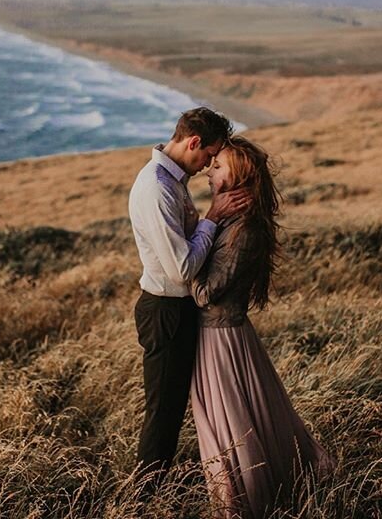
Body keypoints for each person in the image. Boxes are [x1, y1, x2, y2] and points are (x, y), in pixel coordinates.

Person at [190, 135, 336, 518]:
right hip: (218, 335)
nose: (209, 170)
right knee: (237, 419)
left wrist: (181, 260)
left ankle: (249, 503)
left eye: (218, 165)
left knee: (237, 425)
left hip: (221, 338)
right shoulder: (233, 221)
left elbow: (208, 294)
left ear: (237, 175)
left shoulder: (244, 229)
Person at [128, 107, 250, 484]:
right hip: (165, 310)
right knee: (163, 412)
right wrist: (213, 217)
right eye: (209, 156)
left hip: (178, 309)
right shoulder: (158, 188)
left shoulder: (171, 179)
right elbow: (182, 269)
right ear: (193, 142)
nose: (208, 165)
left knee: (178, 406)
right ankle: (144, 497)